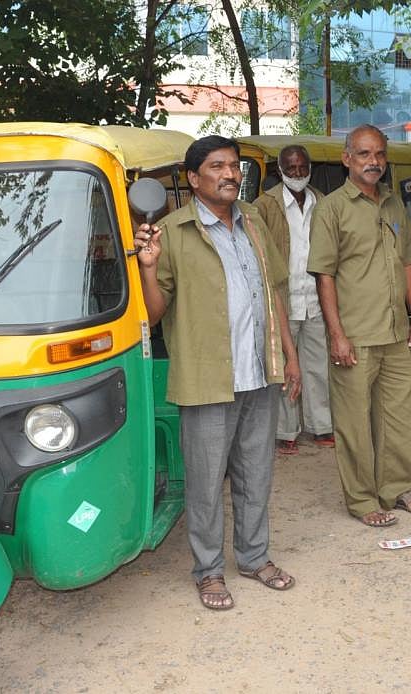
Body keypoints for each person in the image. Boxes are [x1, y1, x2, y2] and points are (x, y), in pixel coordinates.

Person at [134, 135, 302, 610]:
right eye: (217, 166)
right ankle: (208, 572)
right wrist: (148, 267)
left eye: (234, 166)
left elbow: (275, 294)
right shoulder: (174, 232)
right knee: (206, 483)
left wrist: (289, 355)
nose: (230, 175)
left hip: (259, 372)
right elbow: (153, 312)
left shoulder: (253, 223)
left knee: (257, 474)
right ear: (193, 178)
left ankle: (253, 557)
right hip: (208, 378)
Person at [308, 124, 411, 527]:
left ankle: (395, 489)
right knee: (354, 423)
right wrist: (337, 335)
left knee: (399, 419)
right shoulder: (331, 208)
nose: (373, 162)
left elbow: (406, 262)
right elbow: (323, 275)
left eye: (379, 154)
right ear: (347, 158)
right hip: (356, 336)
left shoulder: (394, 204)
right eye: (364, 154)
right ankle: (364, 500)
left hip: (397, 333)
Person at [254, 145, 335, 455]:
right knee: (287, 368)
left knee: (318, 367)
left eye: (303, 167)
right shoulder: (265, 206)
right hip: (283, 300)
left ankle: (321, 426)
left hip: (316, 299)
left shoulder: (323, 203)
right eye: (291, 168)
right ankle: (286, 430)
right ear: (280, 170)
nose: (298, 174)